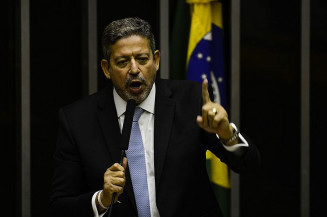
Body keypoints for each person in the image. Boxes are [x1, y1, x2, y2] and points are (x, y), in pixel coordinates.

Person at [49, 17, 260, 217]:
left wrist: (227, 134)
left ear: (156, 60)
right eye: (122, 62)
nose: (134, 69)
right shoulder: (77, 120)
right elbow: (60, 206)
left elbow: (249, 165)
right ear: (106, 68)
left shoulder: (191, 101)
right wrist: (101, 200)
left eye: (142, 59)